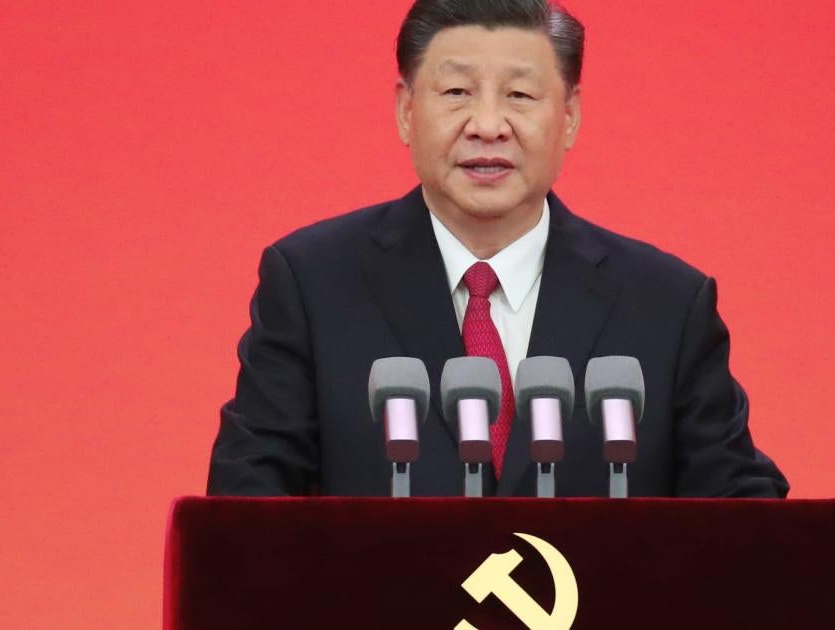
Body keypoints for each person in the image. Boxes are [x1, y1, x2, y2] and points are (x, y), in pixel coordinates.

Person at [207, 0, 788, 498]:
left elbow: (744, 517)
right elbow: (245, 505)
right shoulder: (313, 284)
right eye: (457, 91)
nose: (488, 125)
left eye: (520, 94)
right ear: (406, 111)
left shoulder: (666, 305)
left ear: (570, 117)